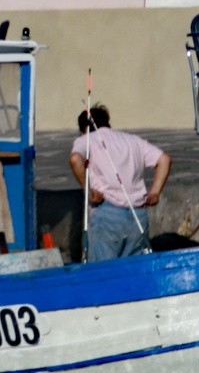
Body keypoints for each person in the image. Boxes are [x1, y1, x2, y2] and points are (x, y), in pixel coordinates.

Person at [68, 104, 171, 261]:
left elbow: (75, 159)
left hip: (107, 213)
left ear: (84, 129)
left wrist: (88, 190)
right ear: (108, 123)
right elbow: (164, 159)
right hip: (138, 215)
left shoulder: (86, 139)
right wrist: (155, 193)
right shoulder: (133, 140)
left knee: (103, 275)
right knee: (134, 272)